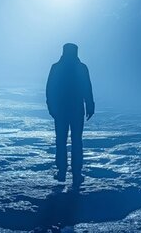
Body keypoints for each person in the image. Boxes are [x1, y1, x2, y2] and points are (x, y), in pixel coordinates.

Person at [46, 43, 94, 183]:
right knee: (76, 141)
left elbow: (50, 89)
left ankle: (63, 172)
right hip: (76, 109)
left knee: (61, 140)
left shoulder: (56, 67)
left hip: (62, 109)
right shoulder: (81, 68)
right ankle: (76, 173)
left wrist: (51, 106)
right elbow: (87, 88)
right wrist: (90, 105)